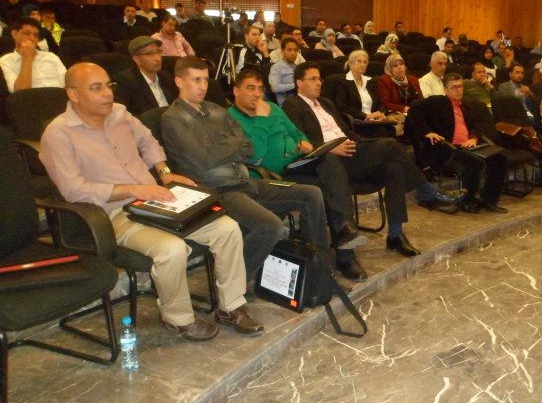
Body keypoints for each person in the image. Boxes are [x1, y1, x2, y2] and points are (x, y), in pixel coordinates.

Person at [40, 62, 262, 341]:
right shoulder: (58, 134)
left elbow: (148, 141)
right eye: (96, 88)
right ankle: (178, 319)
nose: (107, 93)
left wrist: (164, 172)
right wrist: (134, 189)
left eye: (109, 85)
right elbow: (74, 190)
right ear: (73, 94)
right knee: (171, 249)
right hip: (112, 213)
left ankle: (231, 306)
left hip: (154, 199)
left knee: (227, 228)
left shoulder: (120, 113)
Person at [160, 57, 339, 284]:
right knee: (271, 226)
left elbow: (248, 147)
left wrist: (222, 148)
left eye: (205, 80)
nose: (203, 86)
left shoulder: (215, 110)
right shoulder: (173, 119)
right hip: (217, 190)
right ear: (179, 81)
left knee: (311, 194)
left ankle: (321, 271)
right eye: (196, 80)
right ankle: (235, 285)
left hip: (245, 181)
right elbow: (204, 160)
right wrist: (230, 147)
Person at [282, 62, 465, 257]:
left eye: (319, 79)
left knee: (393, 167)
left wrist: (359, 142)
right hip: (329, 160)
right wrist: (331, 147)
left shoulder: (326, 103)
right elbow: (299, 139)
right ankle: (428, 193)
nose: (319, 83)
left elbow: (347, 131)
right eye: (313, 79)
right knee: (391, 145)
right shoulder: (292, 105)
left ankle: (395, 234)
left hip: (352, 151)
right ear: (299, 83)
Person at [227, 68, 370, 276]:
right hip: (271, 176)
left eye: (260, 89)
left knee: (329, 161)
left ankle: (344, 231)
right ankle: (336, 259)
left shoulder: (273, 108)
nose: (257, 94)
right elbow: (253, 155)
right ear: (236, 91)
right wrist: (261, 120)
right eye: (250, 88)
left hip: (297, 163)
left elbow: (295, 131)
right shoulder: (230, 119)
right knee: (322, 190)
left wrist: (303, 141)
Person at [407, 73, 508, 214]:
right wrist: (427, 132)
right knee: (475, 164)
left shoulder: (465, 106)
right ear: (446, 89)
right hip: (448, 149)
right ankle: (466, 202)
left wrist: (473, 138)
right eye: (454, 87)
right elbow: (414, 110)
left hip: (468, 146)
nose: (458, 90)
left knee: (500, 160)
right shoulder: (438, 102)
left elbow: (473, 126)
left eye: (460, 86)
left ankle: (489, 200)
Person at [114, 36, 178, 115]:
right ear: (137, 59)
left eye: (158, 52)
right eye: (150, 54)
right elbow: (125, 116)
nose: (157, 58)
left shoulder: (167, 78)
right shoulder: (125, 82)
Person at [0, 17, 66, 93]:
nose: (32, 38)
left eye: (35, 35)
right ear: (14, 34)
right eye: (26, 33)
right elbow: (20, 93)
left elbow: (68, 84)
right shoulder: (5, 61)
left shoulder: (51, 57)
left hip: (58, 97)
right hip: (31, 99)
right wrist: (27, 57)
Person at [329, 50, 386, 121]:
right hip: (356, 121)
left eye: (365, 62)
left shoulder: (370, 81)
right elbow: (342, 106)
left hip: (374, 120)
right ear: (351, 64)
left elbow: (381, 102)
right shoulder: (342, 81)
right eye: (359, 61)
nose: (362, 64)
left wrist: (380, 113)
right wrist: (366, 116)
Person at [269, 37, 301, 104]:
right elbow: (274, 88)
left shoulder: (298, 68)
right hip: (287, 104)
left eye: (295, 50)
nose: (293, 53)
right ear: (282, 52)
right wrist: (296, 85)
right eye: (289, 50)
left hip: (300, 100)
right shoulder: (276, 68)